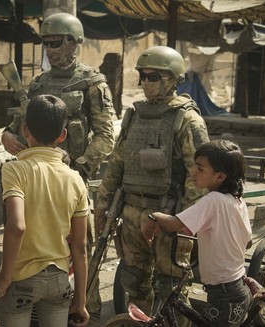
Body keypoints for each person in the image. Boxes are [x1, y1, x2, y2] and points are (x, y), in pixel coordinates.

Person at [0, 13, 115, 324]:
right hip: (36, 181)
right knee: (33, 247)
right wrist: (7, 136)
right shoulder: (37, 83)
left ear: (74, 42)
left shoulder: (92, 82)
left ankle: (83, 309)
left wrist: (79, 168)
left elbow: (106, 135)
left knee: (80, 250)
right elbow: (14, 127)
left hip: (71, 181)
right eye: (46, 43)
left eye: (56, 42)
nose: (50, 49)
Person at [94, 46, 210, 327]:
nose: (146, 83)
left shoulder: (187, 119)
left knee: (170, 286)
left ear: (172, 79)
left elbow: (198, 176)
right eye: (142, 76)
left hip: (167, 215)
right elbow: (117, 163)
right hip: (131, 211)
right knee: (133, 279)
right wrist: (102, 204)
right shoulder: (134, 115)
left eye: (153, 76)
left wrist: (183, 220)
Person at [0, 94, 90, 327]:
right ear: (62, 135)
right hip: (59, 281)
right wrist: (81, 301)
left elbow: (16, 226)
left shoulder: (15, 170)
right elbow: (80, 246)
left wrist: (4, 277)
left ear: (25, 130)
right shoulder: (75, 179)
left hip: (20, 279)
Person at [142, 139, 252, 326]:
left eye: (200, 169)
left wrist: (154, 215)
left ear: (220, 177)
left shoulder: (213, 200)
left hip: (223, 293)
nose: (193, 171)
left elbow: (173, 224)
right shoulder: (237, 200)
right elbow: (247, 242)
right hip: (238, 286)